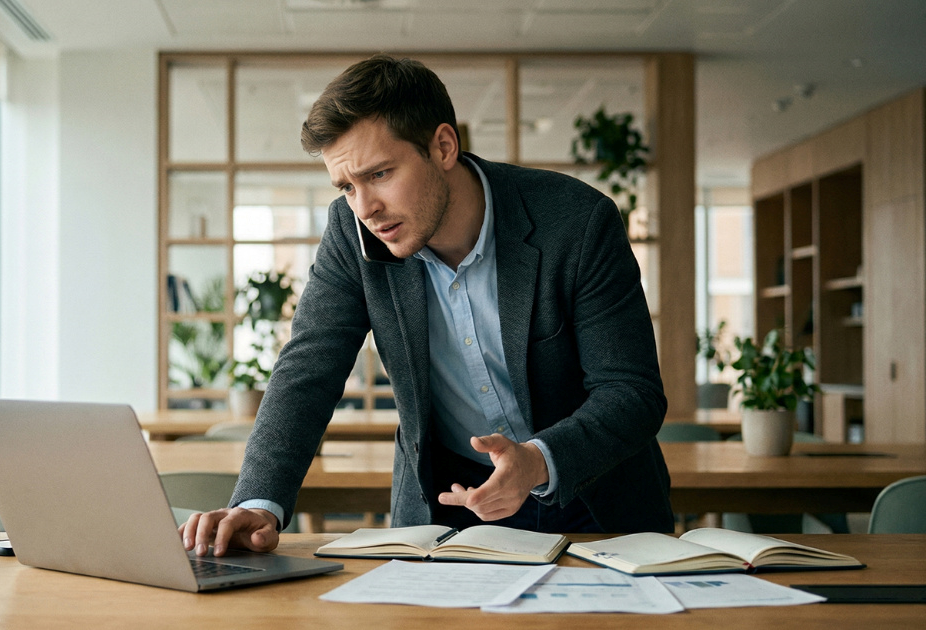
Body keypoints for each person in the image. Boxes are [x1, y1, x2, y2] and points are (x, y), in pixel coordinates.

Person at [182, 55, 672, 558]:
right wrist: (258, 503)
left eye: (379, 174)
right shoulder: (351, 232)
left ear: (443, 147)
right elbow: (309, 366)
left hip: (590, 492)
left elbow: (630, 391)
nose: (365, 208)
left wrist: (537, 460)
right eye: (347, 187)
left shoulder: (576, 221)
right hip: (447, 504)